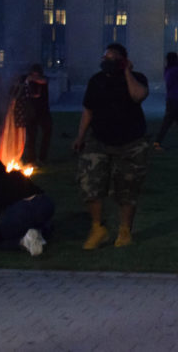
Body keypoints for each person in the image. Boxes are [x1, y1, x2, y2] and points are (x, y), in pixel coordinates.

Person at [72, 43, 150, 250]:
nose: (106, 60)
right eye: (105, 56)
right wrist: (80, 136)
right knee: (90, 184)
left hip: (131, 143)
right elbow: (88, 110)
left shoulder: (137, 78)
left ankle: (124, 232)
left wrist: (126, 71)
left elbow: (138, 95)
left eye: (112, 57)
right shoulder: (96, 81)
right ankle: (98, 229)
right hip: (99, 141)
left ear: (123, 60)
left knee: (127, 189)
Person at [0, 159, 54, 256]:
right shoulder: (17, 174)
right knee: (36, 221)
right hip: (44, 203)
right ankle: (40, 233)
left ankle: (24, 242)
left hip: (21, 210)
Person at [21, 64, 52, 164]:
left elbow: (44, 81)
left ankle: (42, 158)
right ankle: (31, 159)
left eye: (37, 74)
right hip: (31, 112)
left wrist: (31, 79)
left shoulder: (42, 80)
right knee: (31, 137)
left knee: (46, 133)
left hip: (43, 111)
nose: (35, 76)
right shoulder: (27, 80)